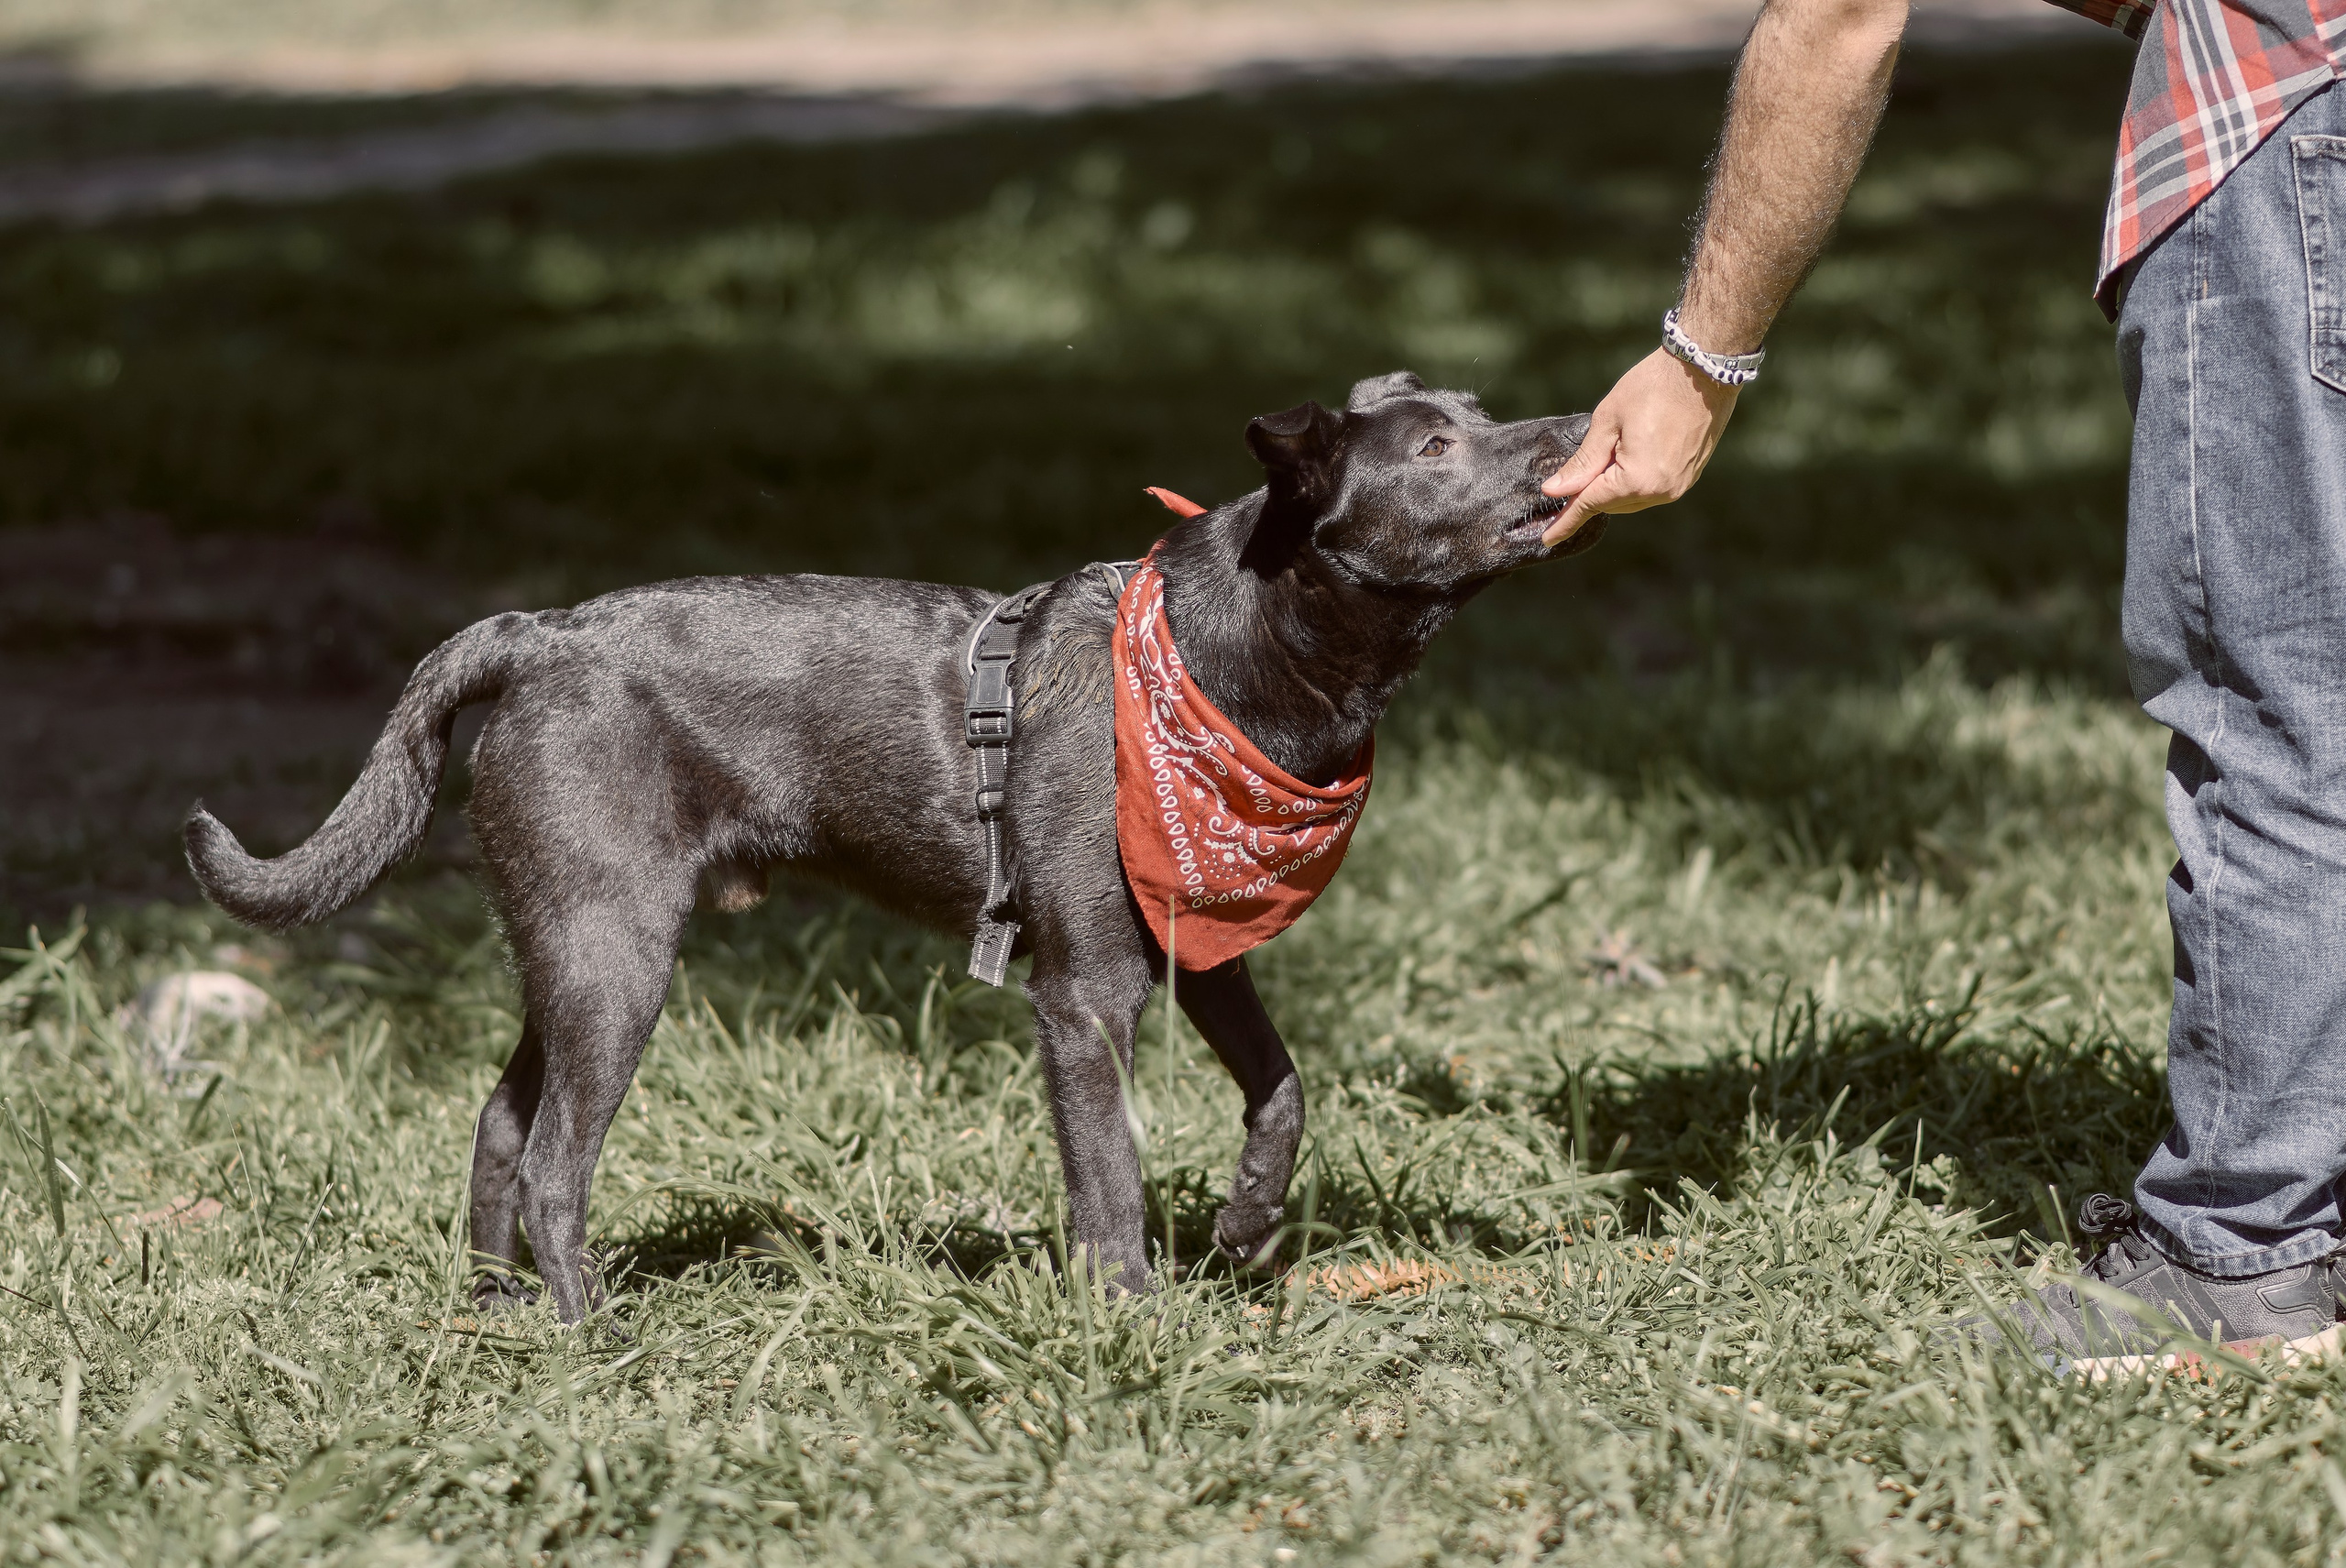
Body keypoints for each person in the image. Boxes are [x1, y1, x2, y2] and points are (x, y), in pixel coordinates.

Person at [1547, 0, 2346, 1369]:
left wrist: (1701, 363)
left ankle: (2245, 1247)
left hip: (2294, 99)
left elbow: (1841, 15)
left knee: (2278, 688)